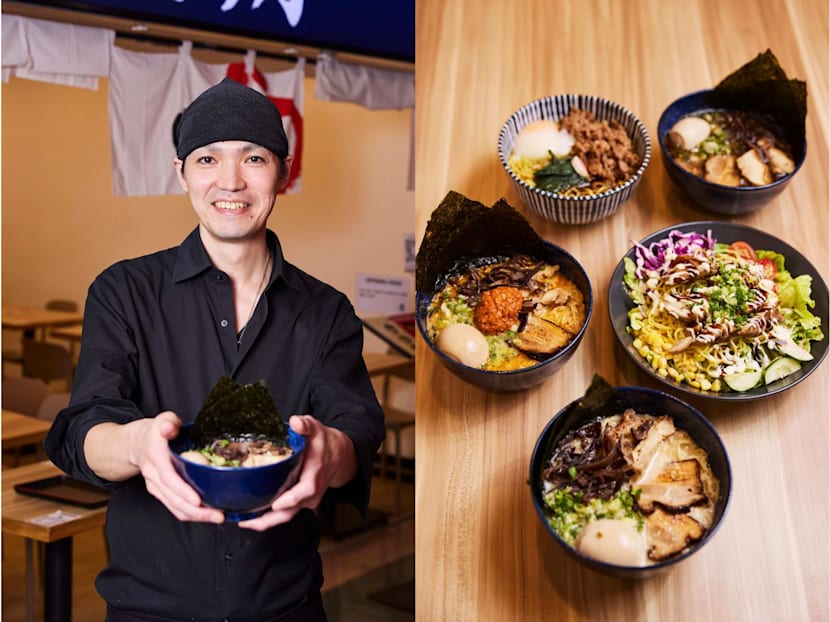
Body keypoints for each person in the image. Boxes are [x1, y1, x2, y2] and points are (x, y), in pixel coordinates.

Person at [45, 77, 386, 622]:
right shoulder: (123, 292)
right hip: (147, 609)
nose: (231, 181)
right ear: (181, 174)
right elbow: (84, 426)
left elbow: (357, 433)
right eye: (207, 159)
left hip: (287, 607)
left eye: (253, 157)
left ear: (284, 170)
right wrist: (138, 446)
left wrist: (331, 452)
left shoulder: (327, 311)